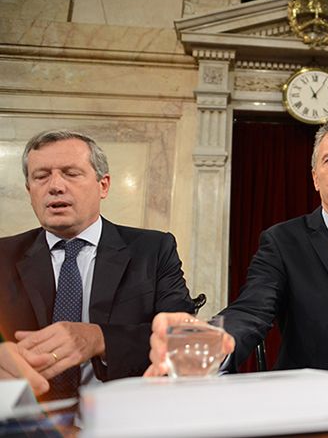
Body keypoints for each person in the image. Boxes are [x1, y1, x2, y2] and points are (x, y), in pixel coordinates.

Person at [145, 115, 328, 376]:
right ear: (315, 178)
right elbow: (252, 311)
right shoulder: (283, 241)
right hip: (309, 402)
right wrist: (211, 340)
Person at [0, 130, 194, 399]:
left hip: (126, 413)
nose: (55, 186)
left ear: (103, 185)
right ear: (29, 190)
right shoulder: (4, 256)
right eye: (41, 176)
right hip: (26, 419)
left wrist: (101, 339)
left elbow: (182, 336)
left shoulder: (153, 250)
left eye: (71, 173)